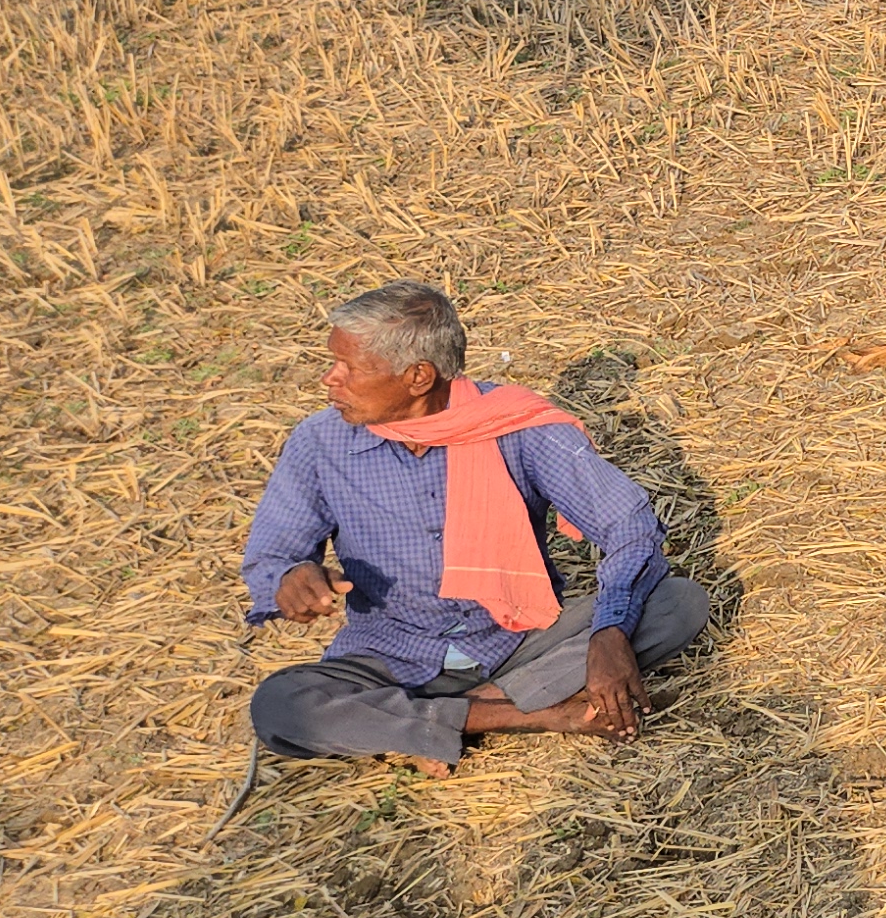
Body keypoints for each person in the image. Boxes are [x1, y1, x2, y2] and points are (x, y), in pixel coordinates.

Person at [240, 282, 710, 777]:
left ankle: (440, 721)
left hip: (515, 640)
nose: (329, 379)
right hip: (389, 657)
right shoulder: (320, 443)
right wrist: (292, 577)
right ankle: (536, 712)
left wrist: (610, 633)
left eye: (349, 367)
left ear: (418, 376)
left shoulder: (514, 424)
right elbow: (273, 557)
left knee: (676, 603)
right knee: (280, 705)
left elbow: (627, 524)